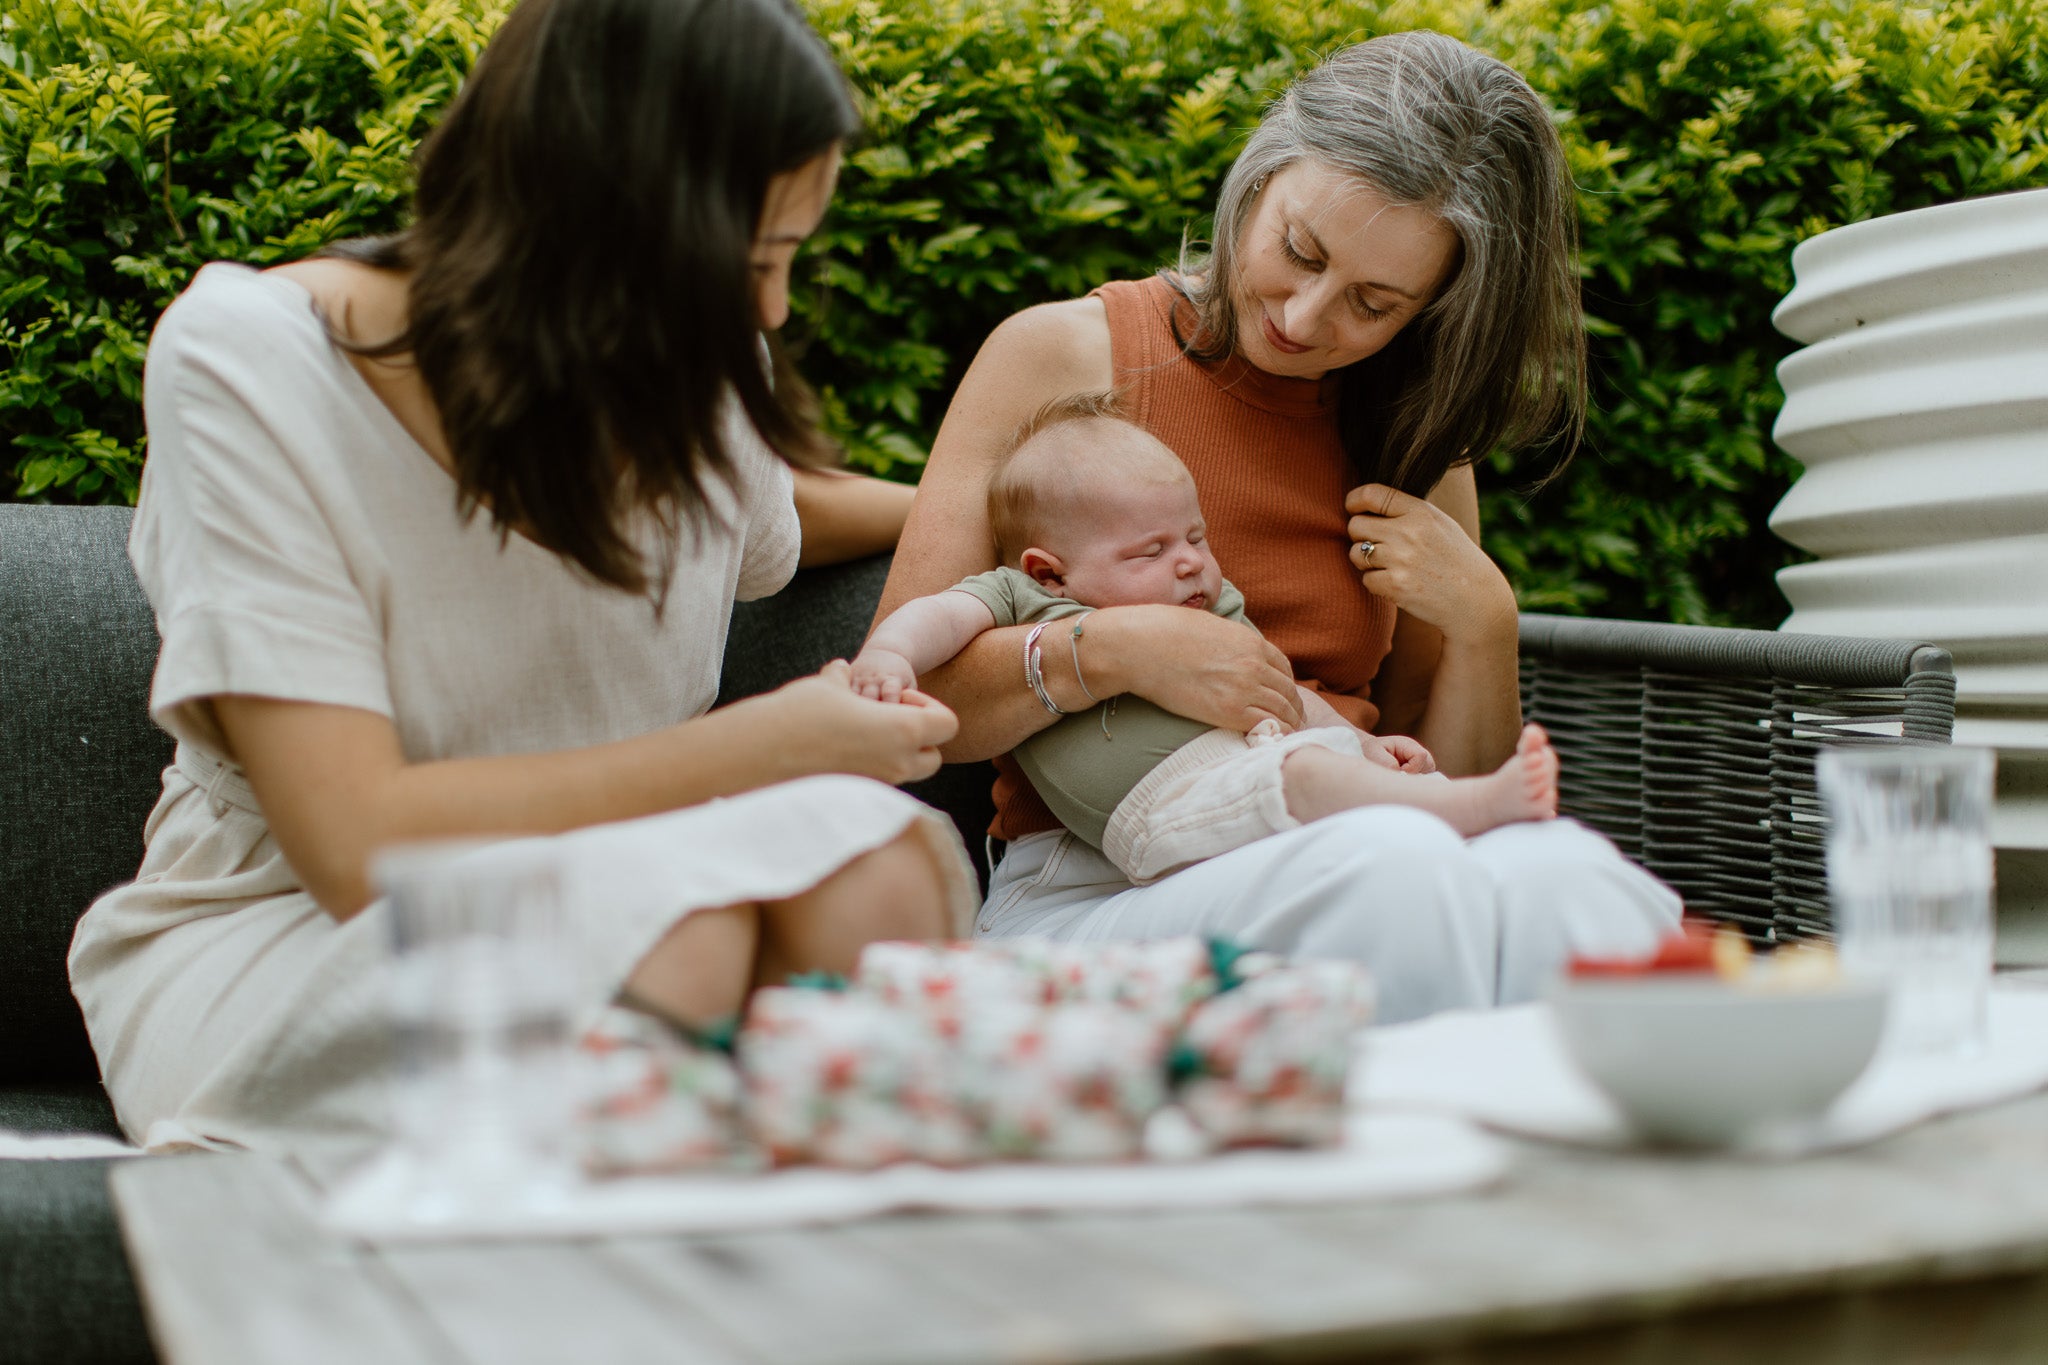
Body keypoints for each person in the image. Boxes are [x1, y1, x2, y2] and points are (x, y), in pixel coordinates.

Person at [67, 0, 979, 1155]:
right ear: (595, 223)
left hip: (637, 887)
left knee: (874, 867)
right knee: (678, 934)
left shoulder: (685, 348)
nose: (770, 311)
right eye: (749, 261)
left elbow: (772, 513)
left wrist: (983, 520)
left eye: (786, 257)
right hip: (296, 936)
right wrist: (776, 743)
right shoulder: (246, 361)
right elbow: (354, 845)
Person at [877, 30, 1682, 1024]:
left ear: (1431, 310)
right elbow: (905, 701)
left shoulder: (1415, 443)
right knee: (1391, 869)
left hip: (1361, 833)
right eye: (1297, 251)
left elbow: (1452, 795)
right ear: (1255, 180)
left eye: (1371, 303)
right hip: (1100, 887)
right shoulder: (1062, 356)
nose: (1304, 317)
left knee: (1569, 878)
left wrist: (1482, 620)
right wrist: (1115, 648)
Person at [854, 400, 1560, 884]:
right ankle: (1465, 809)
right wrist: (889, 656)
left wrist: (1369, 747)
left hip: (1249, 777)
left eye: (1194, 536)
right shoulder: (1022, 596)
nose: (1190, 561)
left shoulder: (1211, 603)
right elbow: (934, 619)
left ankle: (1445, 807)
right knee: (1309, 780)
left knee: (1320, 765)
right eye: (1149, 550)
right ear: (1051, 568)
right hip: (1158, 812)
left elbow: (1278, 692)